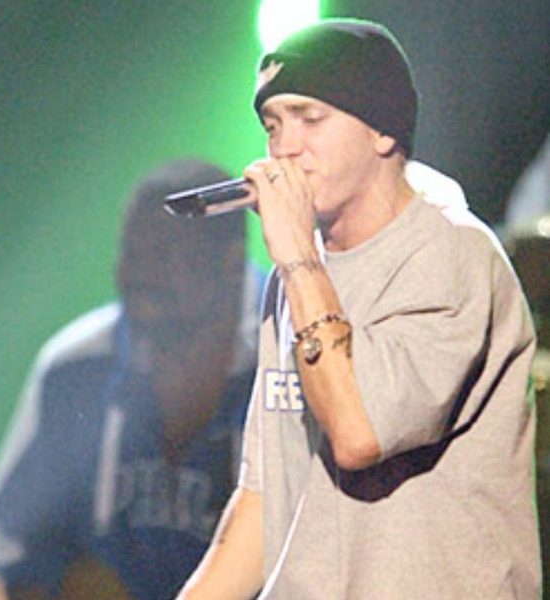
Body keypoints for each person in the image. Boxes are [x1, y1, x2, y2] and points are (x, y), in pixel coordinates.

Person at [178, 19, 539, 599]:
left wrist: (297, 257)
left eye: (310, 119)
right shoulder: (296, 274)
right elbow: (267, 496)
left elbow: (358, 433)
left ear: (382, 131)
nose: (284, 147)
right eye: (273, 125)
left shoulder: (451, 255)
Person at [0, 158, 265, 600]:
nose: (138, 274)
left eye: (164, 256)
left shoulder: (293, 355)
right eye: (131, 253)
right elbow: (17, 556)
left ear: (231, 261)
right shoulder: (75, 369)